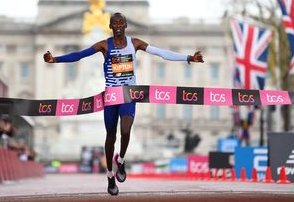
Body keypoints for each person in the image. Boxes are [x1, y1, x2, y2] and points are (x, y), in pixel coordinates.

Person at [43, 12, 204, 195]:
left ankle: (121, 160)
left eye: (121, 22)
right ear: (110, 26)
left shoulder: (134, 43)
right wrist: (55, 59)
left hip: (128, 94)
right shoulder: (104, 45)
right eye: (114, 23)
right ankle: (110, 175)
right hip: (111, 96)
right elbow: (79, 55)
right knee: (110, 136)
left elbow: (161, 53)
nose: (118, 25)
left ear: (126, 25)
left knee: (126, 131)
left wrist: (189, 58)